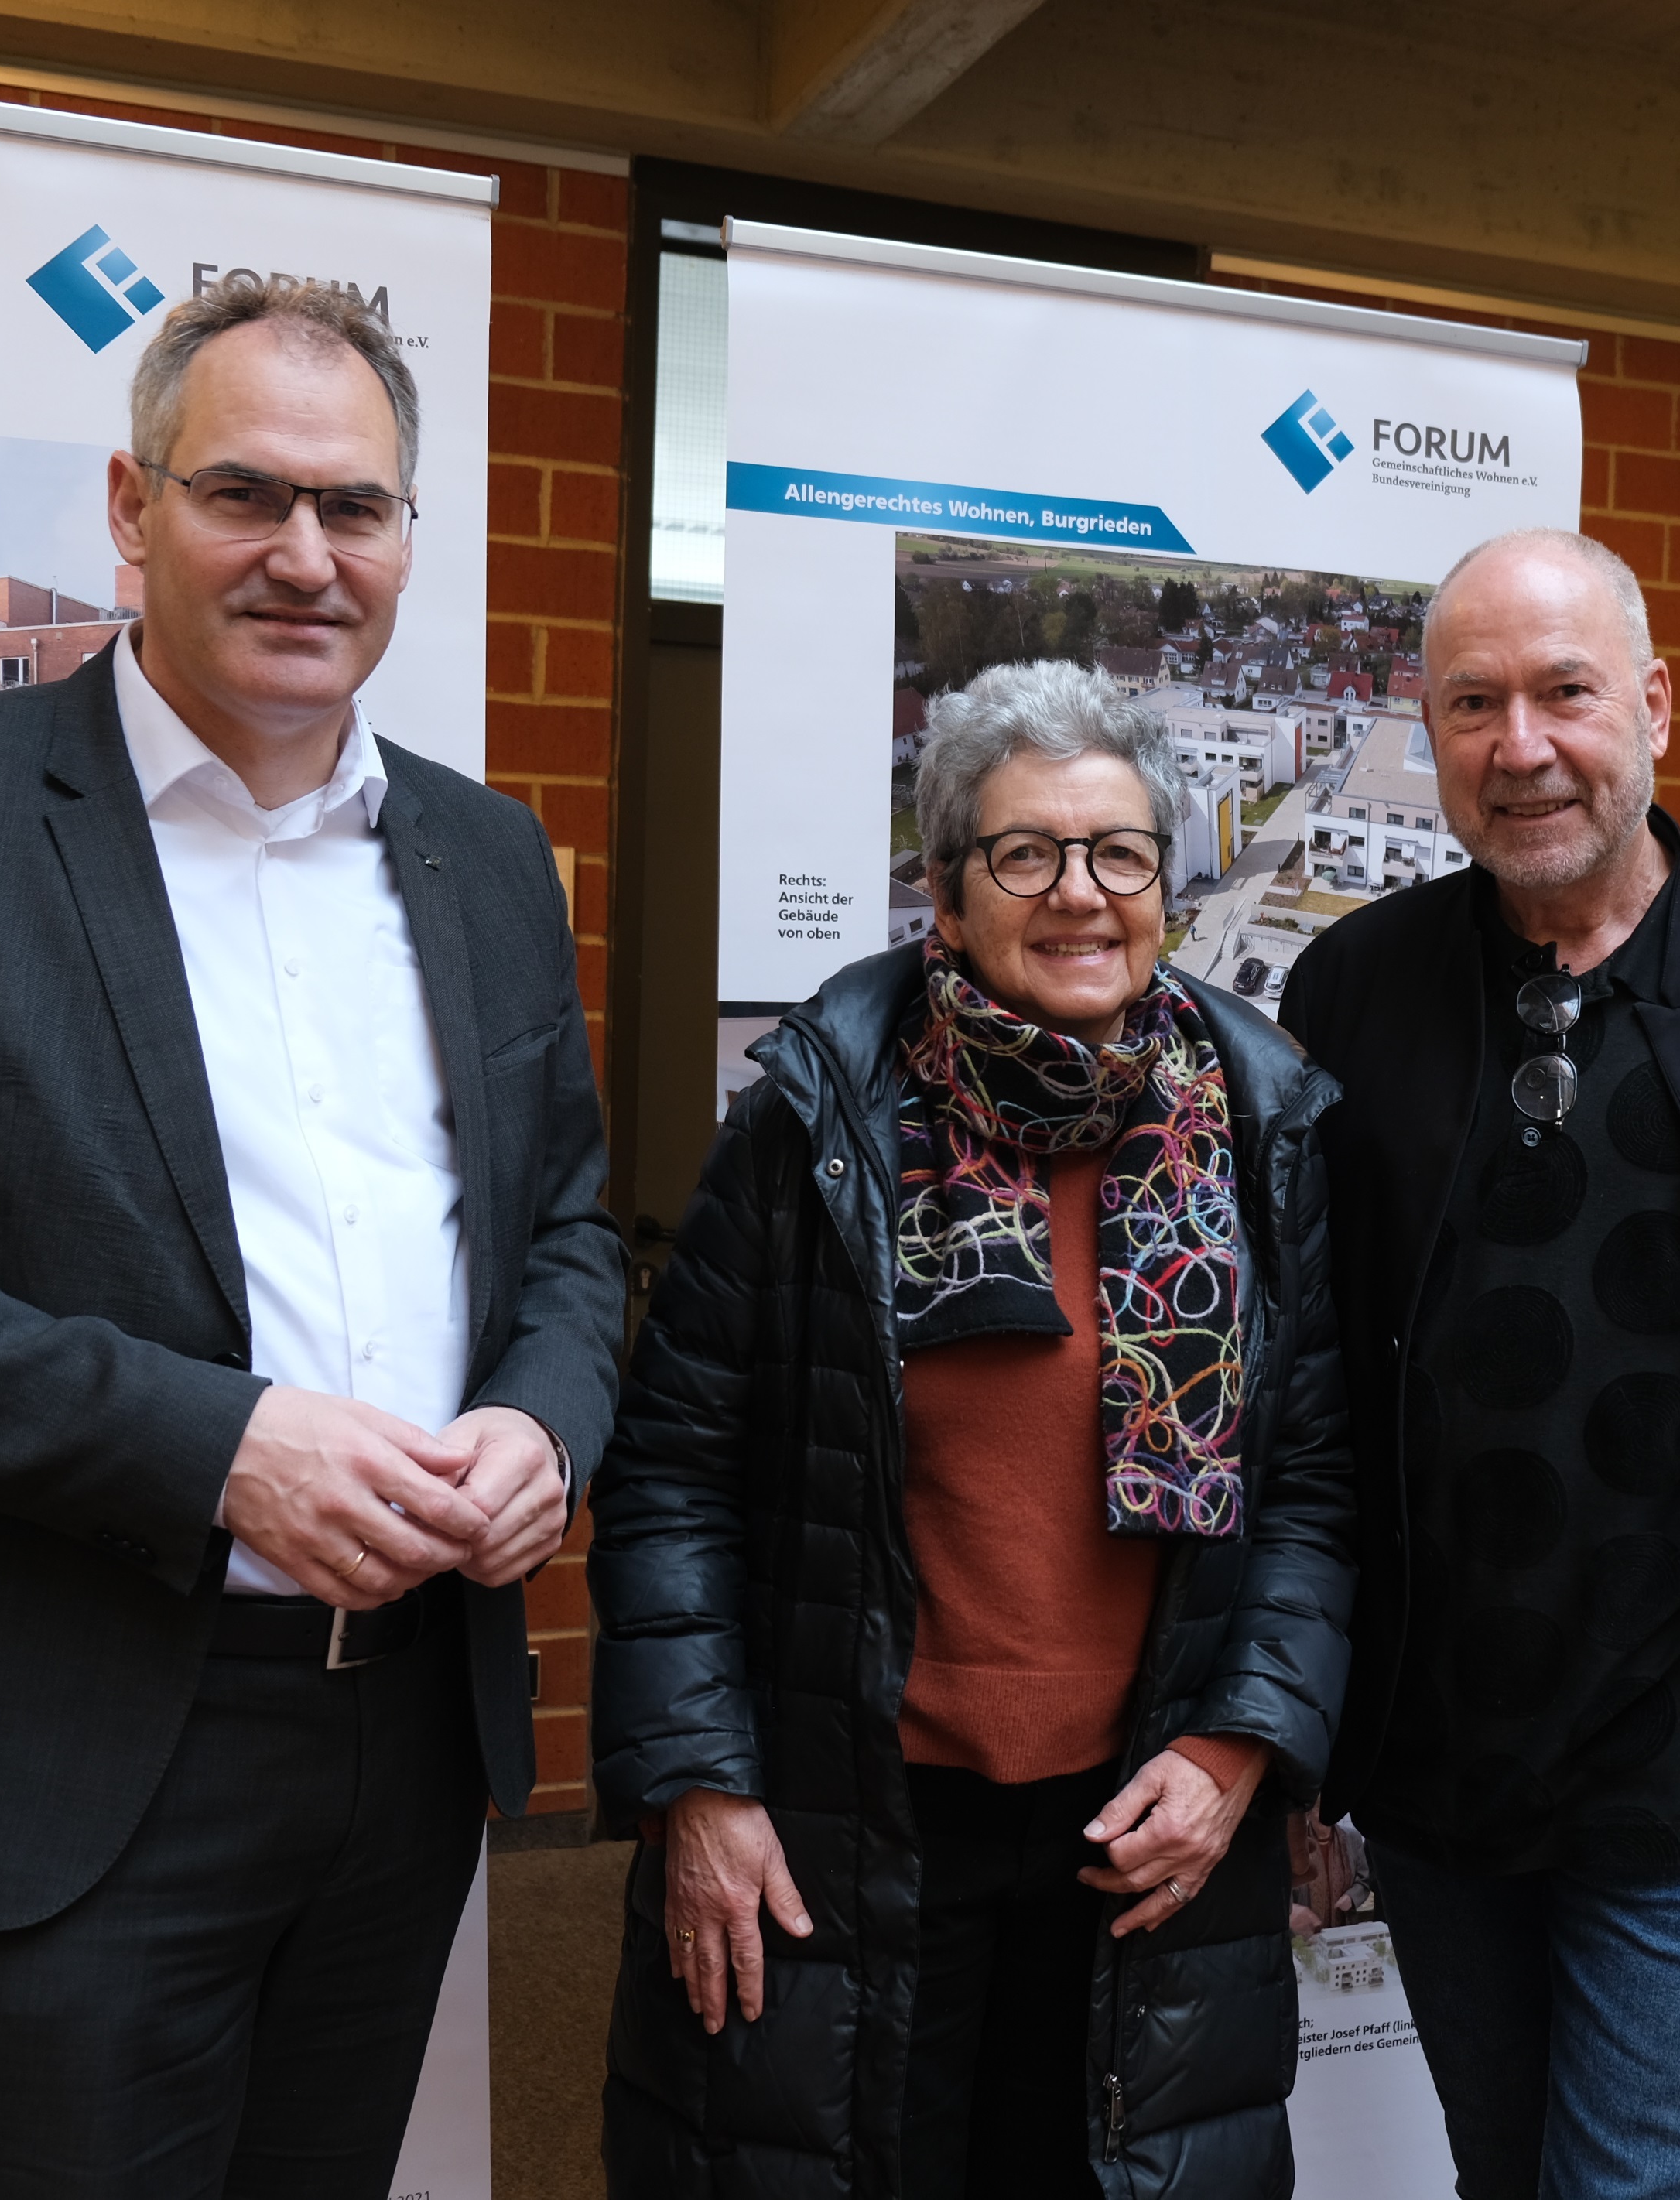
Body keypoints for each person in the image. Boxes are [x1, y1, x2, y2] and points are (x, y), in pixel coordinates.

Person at [0, 275, 627, 2196]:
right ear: (131, 507)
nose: (305, 557)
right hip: (83, 1734)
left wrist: (543, 1420)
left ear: (405, 536)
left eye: (354, 509)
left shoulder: (489, 856)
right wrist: (222, 1448)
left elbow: (568, 1243)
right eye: (244, 497)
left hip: (406, 1742)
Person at [589, 659, 1357, 2197]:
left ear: (1166, 881)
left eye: (1118, 853)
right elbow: (670, 1477)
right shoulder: (811, 1122)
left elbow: (1316, 1494)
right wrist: (700, 1783)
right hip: (855, 1820)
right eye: (1024, 854)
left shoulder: (1264, 1128)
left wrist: (1235, 1747)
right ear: (945, 896)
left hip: (1140, 1831)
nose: (1078, 894)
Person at [1278, 528, 1680, 2196]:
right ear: (1425, 736)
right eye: (1472, 705)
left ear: (1650, 701)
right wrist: (1295, 1732)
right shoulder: (1351, 990)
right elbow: (1305, 1391)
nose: (1523, 748)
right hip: (1436, 1766)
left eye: (1565, 693)